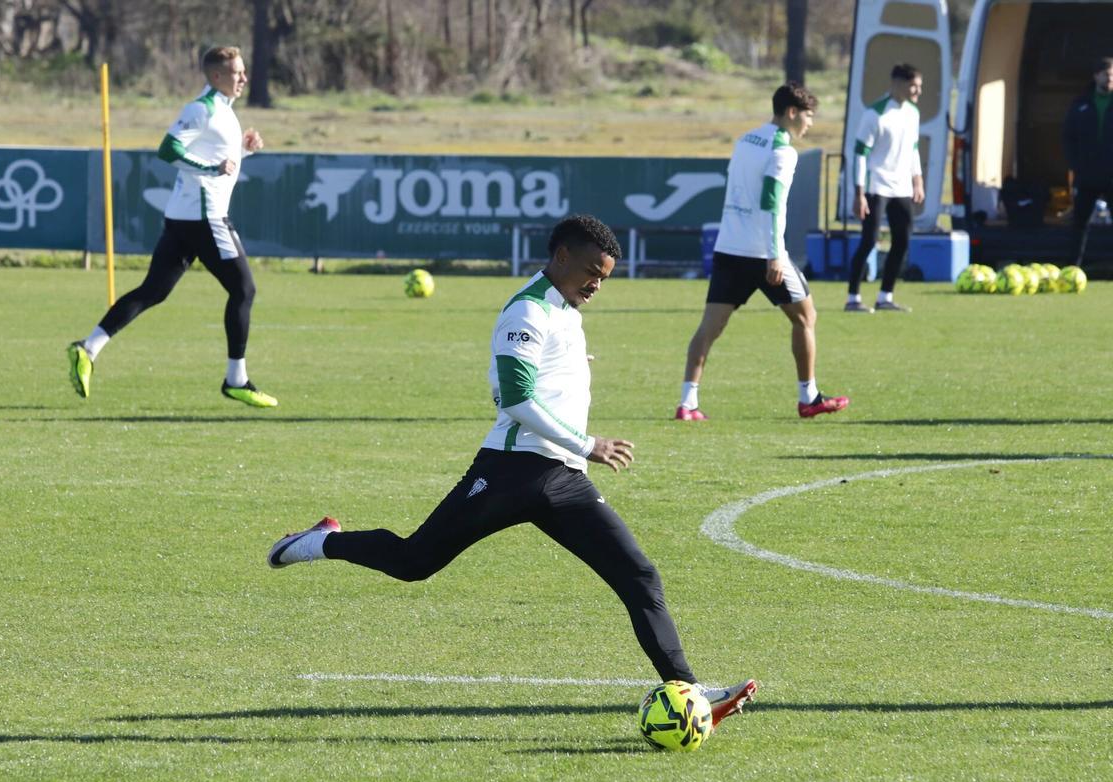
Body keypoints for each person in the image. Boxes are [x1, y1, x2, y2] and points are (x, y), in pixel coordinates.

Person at [269, 215, 757, 727]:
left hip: (564, 480)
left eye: (605, 277)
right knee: (414, 562)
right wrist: (588, 444)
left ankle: (688, 689)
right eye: (592, 271)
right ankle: (320, 542)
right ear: (562, 256)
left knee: (638, 575)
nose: (597, 284)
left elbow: (518, 379)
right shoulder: (527, 309)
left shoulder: (565, 308)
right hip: (511, 470)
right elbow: (515, 397)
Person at [67, 46, 277, 408]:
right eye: (237, 72)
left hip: (185, 217)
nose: (244, 78)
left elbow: (213, 157)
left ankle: (88, 348)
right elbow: (167, 150)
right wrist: (212, 170)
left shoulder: (223, 110)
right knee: (244, 290)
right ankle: (236, 379)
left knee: (153, 291)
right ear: (215, 76)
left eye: (243, 72)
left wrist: (243, 151)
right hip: (205, 217)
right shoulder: (202, 109)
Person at [675, 83, 849, 422]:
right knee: (806, 317)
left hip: (729, 247)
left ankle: (687, 403)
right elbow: (772, 204)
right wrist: (774, 255)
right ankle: (809, 397)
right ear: (792, 112)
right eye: (808, 117)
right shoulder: (783, 151)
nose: (810, 125)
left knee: (708, 328)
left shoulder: (745, 140)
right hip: (763, 251)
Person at [845, 63, 924, 313]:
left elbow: (913, 149)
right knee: (869, 241)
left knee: (902, 240)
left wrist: (917, 180)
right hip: (876, 185)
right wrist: (859, 193)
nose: (918, 92)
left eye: (920, 86)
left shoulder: (913, 113)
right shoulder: (875, 114)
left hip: (901, 187)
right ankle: (853, 298)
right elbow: (859, 154)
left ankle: (885, 296)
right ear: (897, 84)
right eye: (914, 86)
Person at [1064, 56, 1113, 267]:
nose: (1109, 78)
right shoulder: (1081, 104)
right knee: (1079, 224)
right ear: (1096, 76)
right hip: (1087, 176)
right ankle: (1074, 267)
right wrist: (1076, 165)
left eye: (1112, 74)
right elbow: (1068, 137)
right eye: (1106, 74)